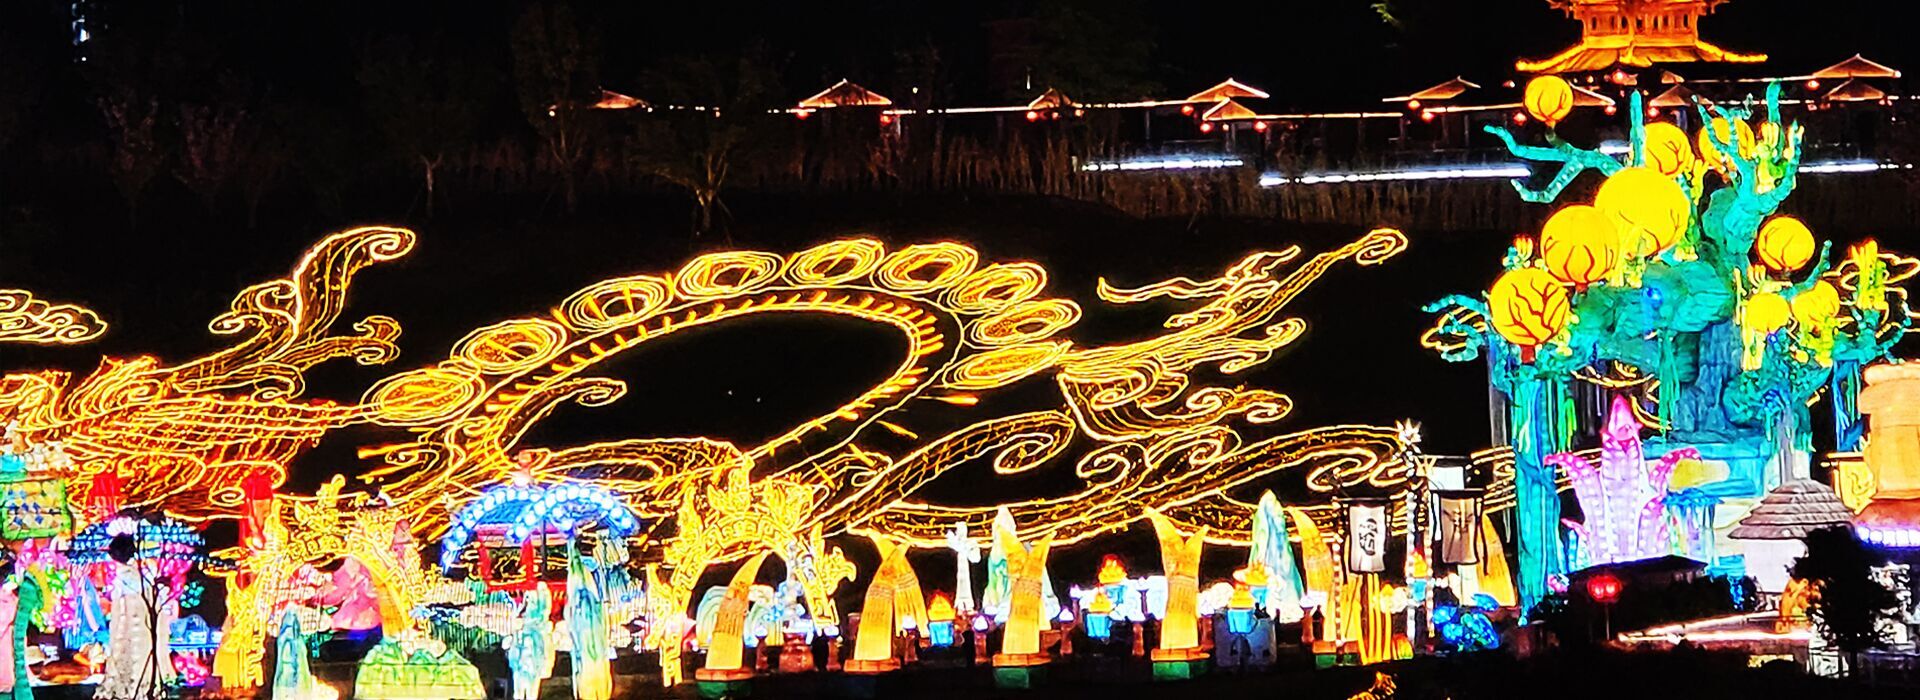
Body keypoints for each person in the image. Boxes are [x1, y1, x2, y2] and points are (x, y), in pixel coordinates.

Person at [97, 533, 175, 700]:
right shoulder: (141, 573)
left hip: (130, 625)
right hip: (140, 625)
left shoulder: (125, 576)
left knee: (130, 661)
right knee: (139, 661)